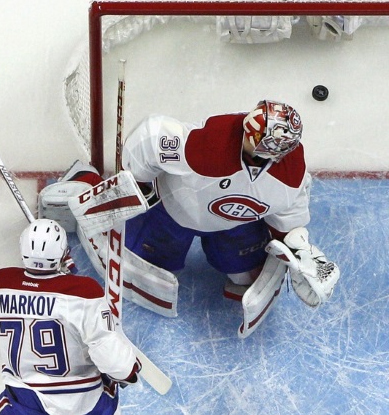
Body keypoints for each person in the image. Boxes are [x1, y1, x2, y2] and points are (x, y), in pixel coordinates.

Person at [120, 99, 339, 303]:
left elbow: (288, 209)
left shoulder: (290, 173)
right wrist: (135, 183)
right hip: (171, 212)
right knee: (147, 272)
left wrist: (301, 252)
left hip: (236, 225)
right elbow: (151, 138)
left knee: (248, 276)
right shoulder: (206, 144)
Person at [0, 219, 141, 415]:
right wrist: (129, 370)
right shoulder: (84, 292)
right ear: (63, 252)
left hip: (27, 401)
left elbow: (38, 294)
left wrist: (57, 276)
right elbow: (114, 361)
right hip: (85, 404)